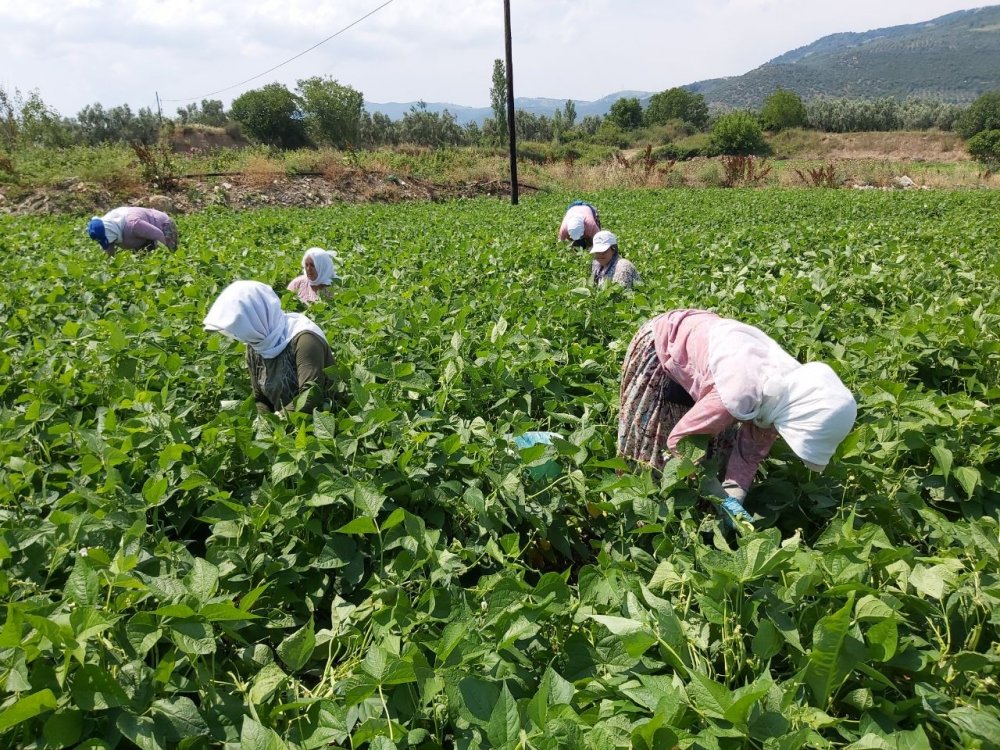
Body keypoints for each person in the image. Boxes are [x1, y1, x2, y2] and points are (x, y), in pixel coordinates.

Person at [618, 308, 857, 529]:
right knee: (657, 448)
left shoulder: (786, 400)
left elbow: (750, 453)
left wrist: (735, 498)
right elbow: (682, 443)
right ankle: (644, 517)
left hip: (719, 358)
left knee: (713, 443)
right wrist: (717, 495)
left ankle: (700, 513)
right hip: (665, 341)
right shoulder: (737, 394)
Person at [203, 280, 334, 415]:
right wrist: (263, 423)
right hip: (284, 428)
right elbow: (260, 398)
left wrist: (275, 421)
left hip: (324, 421)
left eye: (239, 326)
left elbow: (311, 397)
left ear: (255, 317)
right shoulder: (255, 345)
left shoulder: (305, 340)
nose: (237, 335)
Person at [87, 206, 178, 256]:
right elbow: (109, 249)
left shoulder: (133, 224)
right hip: (142, 235)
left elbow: (158, 234)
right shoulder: (107, 229)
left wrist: (165, 255)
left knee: (170, 254)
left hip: (162, 226)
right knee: (141, 259)